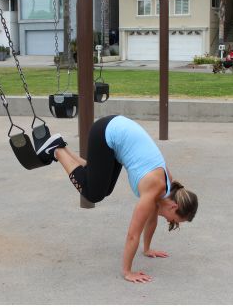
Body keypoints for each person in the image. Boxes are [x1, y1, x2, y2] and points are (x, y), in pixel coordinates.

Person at [35, 115, 198, 284]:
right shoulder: (154, 189)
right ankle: (57, 150)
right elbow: (132, 235)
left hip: (117, 134)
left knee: (104, 188)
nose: (171, 222)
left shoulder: (168, 189)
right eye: (174, 220)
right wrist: (128, 271)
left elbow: (152, 221)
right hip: (106, 133)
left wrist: (147, 249)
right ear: (173, 206)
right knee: (94, 194)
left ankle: (61, 146)